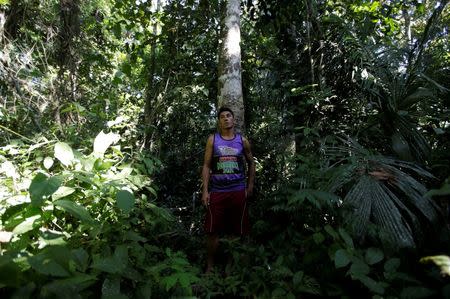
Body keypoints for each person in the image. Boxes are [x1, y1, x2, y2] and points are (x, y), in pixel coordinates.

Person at [201, 106, 255, 274]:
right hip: (217, 191)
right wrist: (205, 190)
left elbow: (251, 162)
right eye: (222, 117)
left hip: (238, 191)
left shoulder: (242, 140)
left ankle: (230, 266)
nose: (226, 118)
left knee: (235, 231)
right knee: (212, 231)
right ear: (219, 121)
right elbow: (207, 165)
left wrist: (250, 186)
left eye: (228, 116)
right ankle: (210, 267)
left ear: (233, 119)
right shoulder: (213, 140)